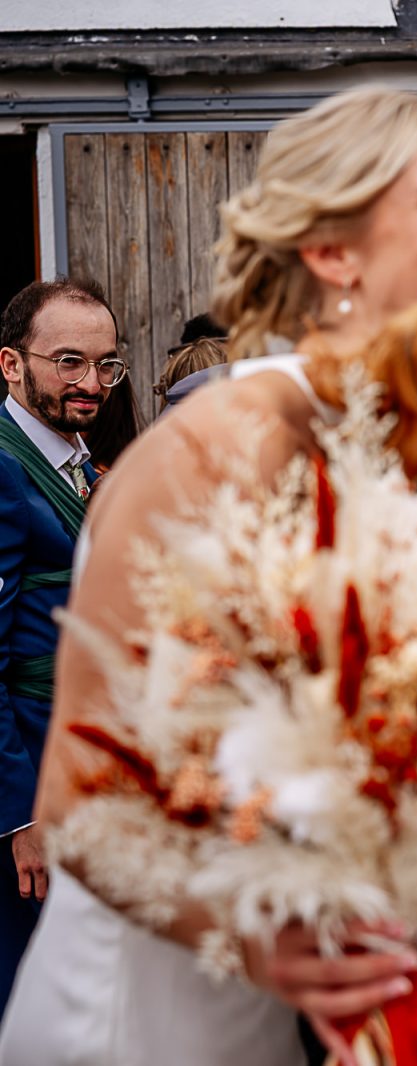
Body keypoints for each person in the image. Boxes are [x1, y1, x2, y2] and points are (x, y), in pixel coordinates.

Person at [0, 87, 417, 1065]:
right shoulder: (223, 447)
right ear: (331, 252)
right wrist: (254, 935)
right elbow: (82, 803)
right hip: (152, 1010)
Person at [0, 277, 119, 1021]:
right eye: (69, 362)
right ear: (11, 364)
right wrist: (19, 817)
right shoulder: (4, 469)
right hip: (32, 787)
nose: (92, 383)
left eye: (108, 365)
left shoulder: (81, 457)